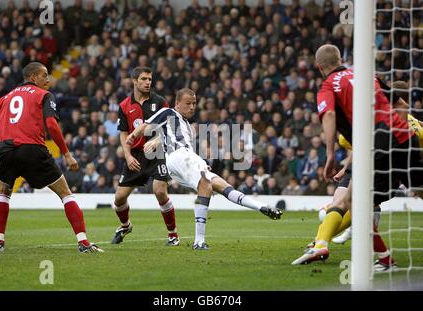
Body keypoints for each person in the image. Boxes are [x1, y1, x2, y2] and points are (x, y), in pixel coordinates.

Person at [292, 45, 423, 269]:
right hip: (403, 136)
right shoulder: (365, 75)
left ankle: (377, 257)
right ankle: (331, 246)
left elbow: (330, 114)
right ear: (340, 59)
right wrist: (396, 127)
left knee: (351, 201)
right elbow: (400, 104)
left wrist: (331, 154)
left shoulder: (327, 85)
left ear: (319, 66)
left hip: (376, 141)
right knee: (418, 190)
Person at [127, 88, 283, 250]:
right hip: (180, 156)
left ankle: (261, 207)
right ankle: (199, 241)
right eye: (188, 103)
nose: (192, 107)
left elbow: (169, 135)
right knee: (205, 183)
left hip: (180, 159)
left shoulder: (187, 126)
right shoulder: (168, 113)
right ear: (177, 104)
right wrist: (133, 136)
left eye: (194, 103)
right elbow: (147, 125)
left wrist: (157, 141)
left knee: (220, 185)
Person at [0, 62, 103, 253]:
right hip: (32, 150)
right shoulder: (44, 95)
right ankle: (83, 242)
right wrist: (67, 154)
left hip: (6, 152)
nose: (48, 79)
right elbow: (52, 126)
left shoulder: (5, 97)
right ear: (32, 77)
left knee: (4, 192)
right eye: (44, 75)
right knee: (65, 193)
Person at [111, 66, 180, 246]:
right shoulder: (125, 105)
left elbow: (168, 127)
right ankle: (125, 226)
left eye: (150, 79)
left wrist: (157, 141)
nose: (148, 82)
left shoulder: (160, 102)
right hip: (135, 155)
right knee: (119, 199)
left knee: (159, 191)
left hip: (157, 153)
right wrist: (127, 156)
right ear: (135, 81)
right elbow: (124, 133)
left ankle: (173, 236)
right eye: (144, 79)